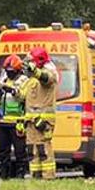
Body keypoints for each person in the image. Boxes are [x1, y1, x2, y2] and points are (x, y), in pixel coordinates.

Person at [23, 47, 60, 180]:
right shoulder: (31, 79)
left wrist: (35, 71)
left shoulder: (50, 72)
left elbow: (46, 79)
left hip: (44, 120)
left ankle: (48, 176)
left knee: (44, 148)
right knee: (32, 149)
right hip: (31, 120)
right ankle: (36, 176)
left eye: (31, 61)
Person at [0, 55, 30, 179]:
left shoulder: (24, 80)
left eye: (11, 71)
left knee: (20, 151)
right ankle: (4, 174)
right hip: (2, 121)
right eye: (7, 71)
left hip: (17, 121)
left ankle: (20, 174)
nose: (9, 73)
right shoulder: (3, 79)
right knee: (3, 151)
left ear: (18, 70)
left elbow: (24, 96)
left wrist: (13, 91)